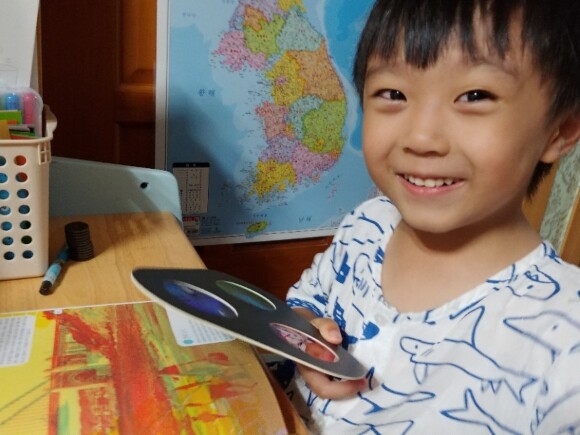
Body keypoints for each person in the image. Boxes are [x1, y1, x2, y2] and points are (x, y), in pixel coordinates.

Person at [284, 0, 580, 432]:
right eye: (394, 94)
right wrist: (307, 338)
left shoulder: (564, 338)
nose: (421, 137)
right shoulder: (367, 224)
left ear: (560, 130)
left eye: (475, 96)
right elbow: (303, 304)